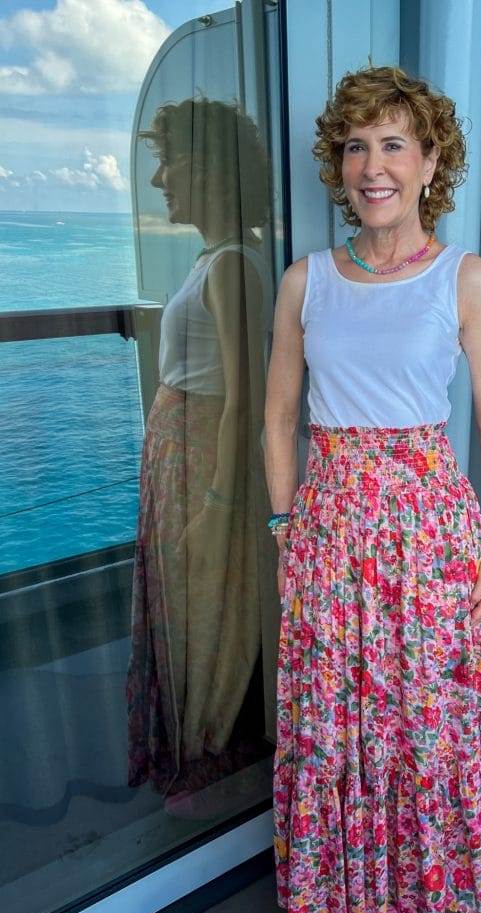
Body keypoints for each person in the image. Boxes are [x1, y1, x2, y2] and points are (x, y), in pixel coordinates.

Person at [265, 65, 481, 913]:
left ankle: (399, 894)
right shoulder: (307, 282)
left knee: (413, 716)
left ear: (429, 159)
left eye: (393, 144)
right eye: (356, 146)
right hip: (329, 525)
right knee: (329, 717)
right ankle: (336, 883)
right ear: (341, 163)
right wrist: (286, 529)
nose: (372, 165)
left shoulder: (464, 278)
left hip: (426, 533)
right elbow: (278, 417)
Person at [126, 96, 274, 818]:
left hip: (202, 470)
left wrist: (218, 507)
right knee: (183, 605)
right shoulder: (212, 260)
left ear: (209, 169)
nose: (159, 181)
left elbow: (245, 401)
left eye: (169, 161)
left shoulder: (233, 268)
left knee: (204, 608)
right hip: (181, 462)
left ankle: (211, 753)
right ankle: (194, 745)